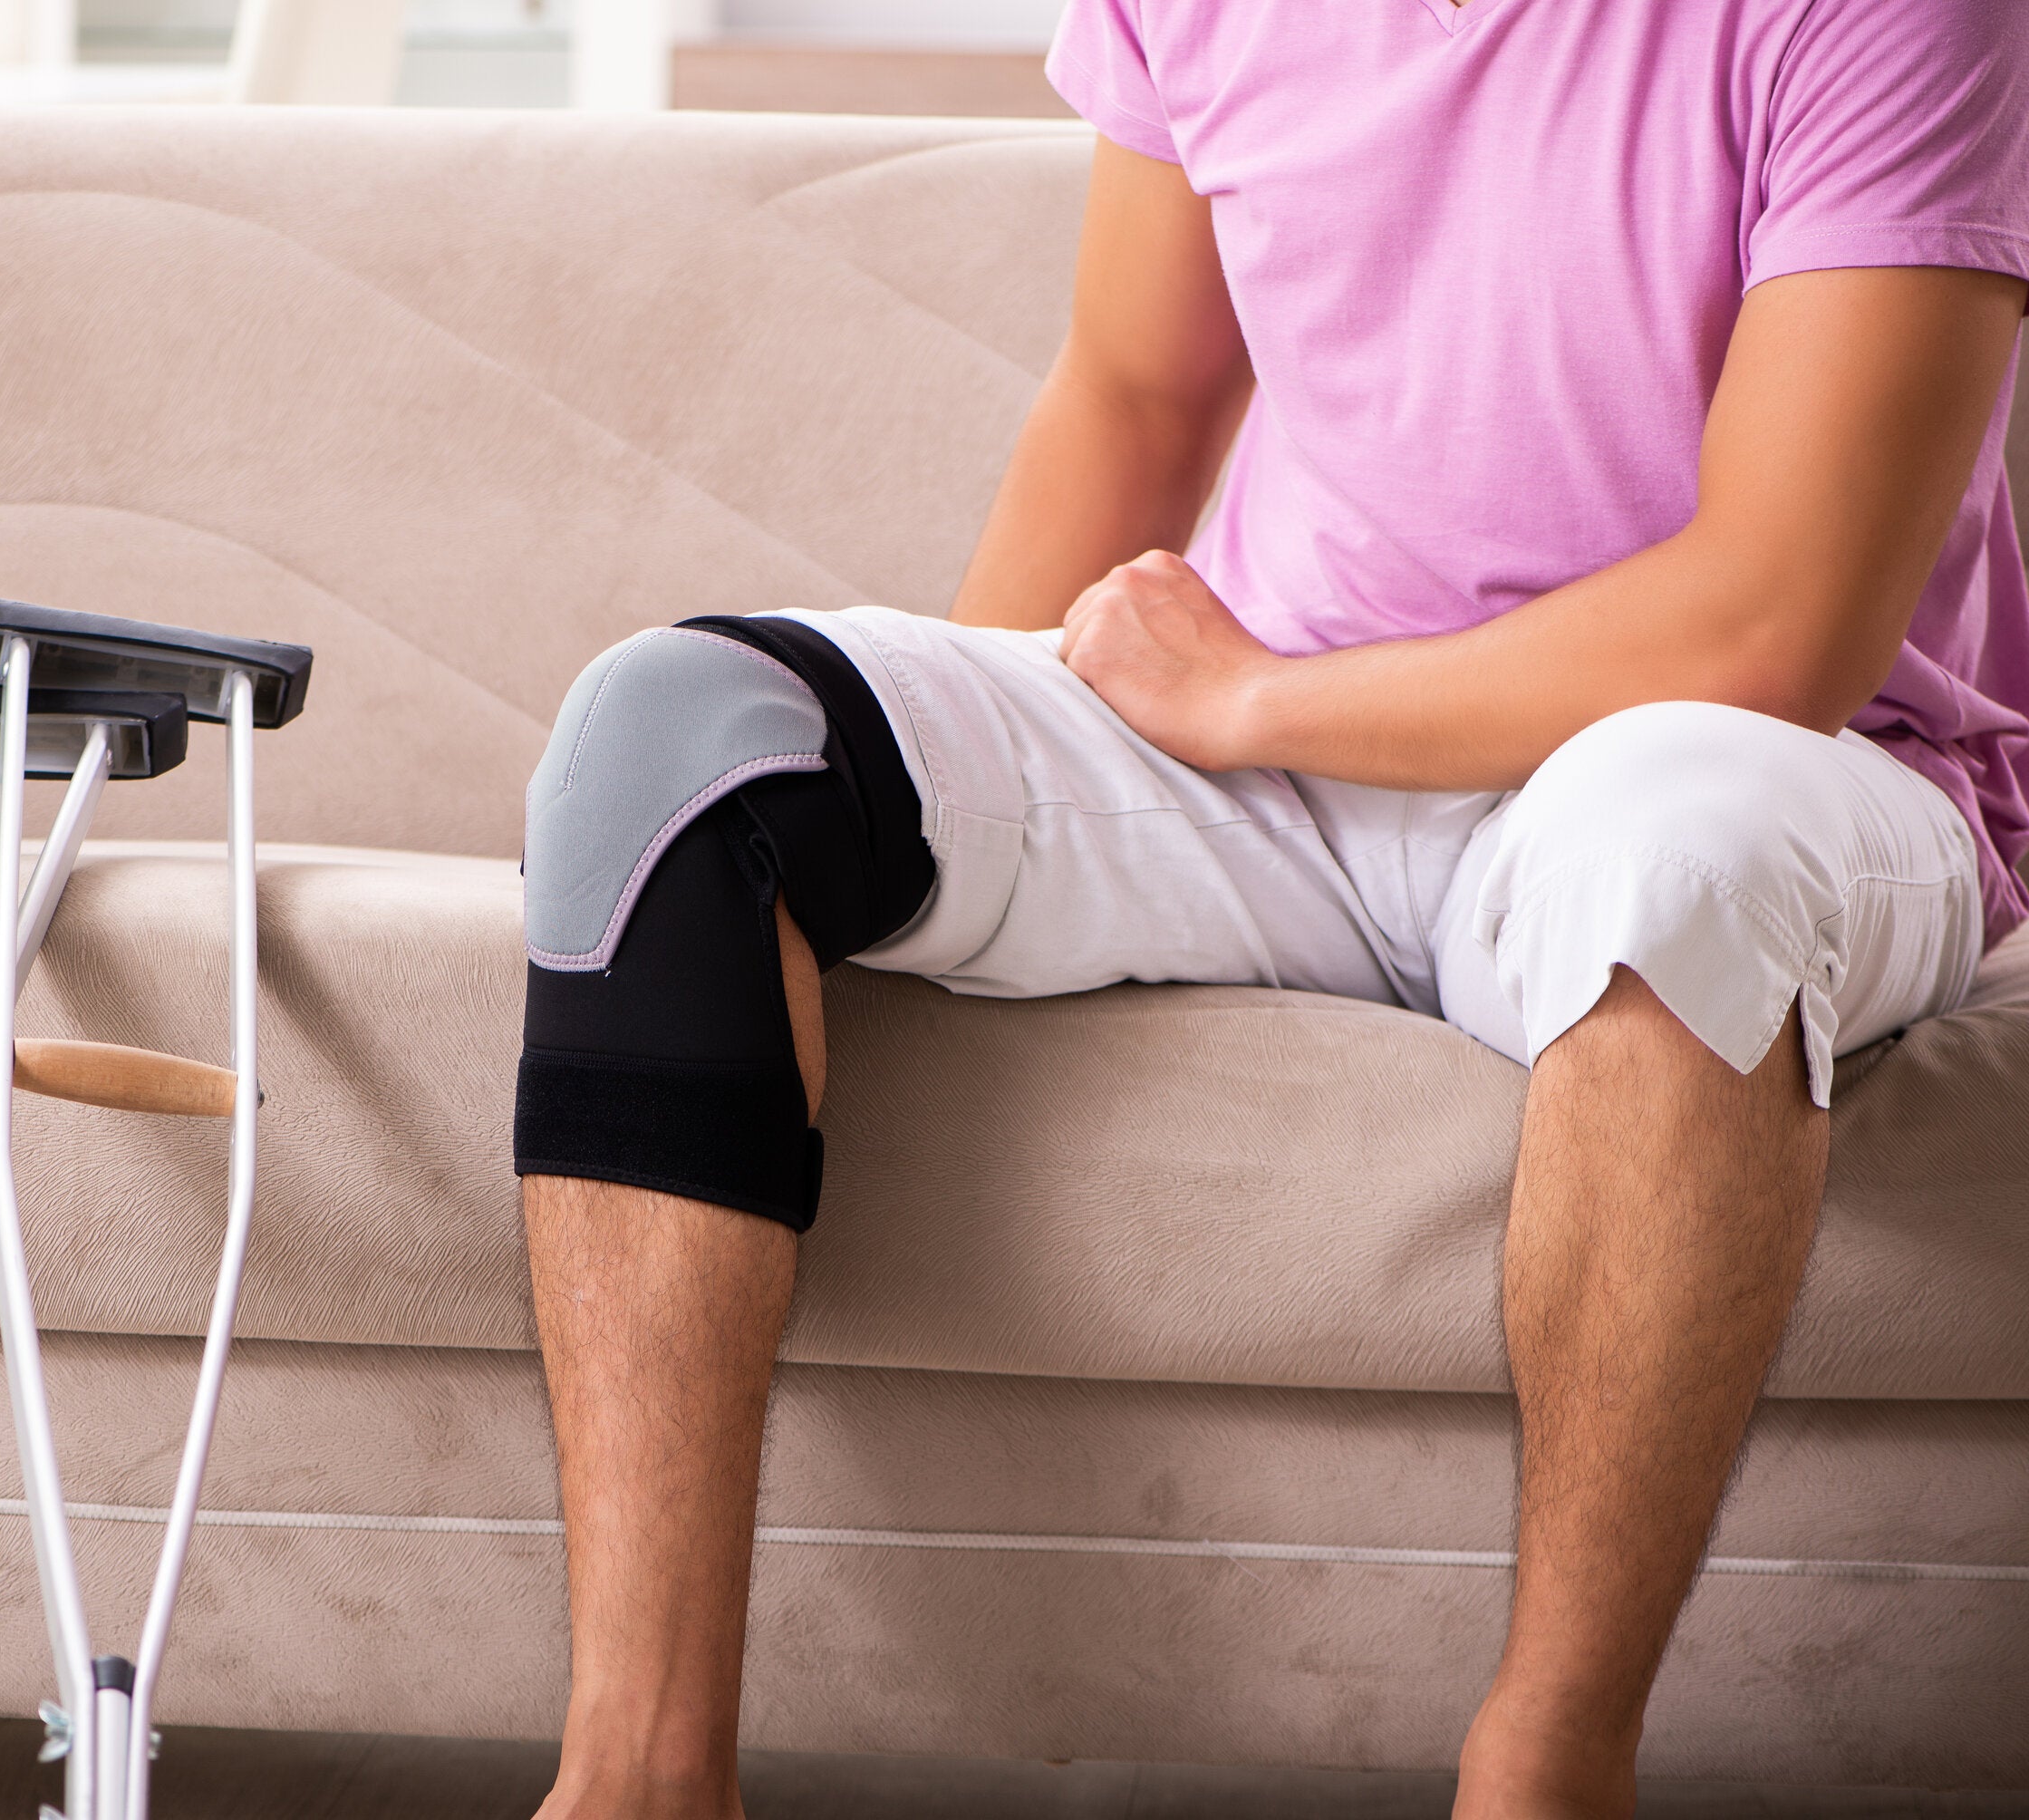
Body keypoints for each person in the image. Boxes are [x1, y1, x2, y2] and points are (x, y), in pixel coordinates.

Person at [509, 3, 2029, 1815]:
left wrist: (1249, 704)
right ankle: (636, 1781)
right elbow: (1137, 394)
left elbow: (1774, 625)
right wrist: (965, 790)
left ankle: (1543, 1769)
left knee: (1673, 845)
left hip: (1765, 759)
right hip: (1283, 773)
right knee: (677, 742)